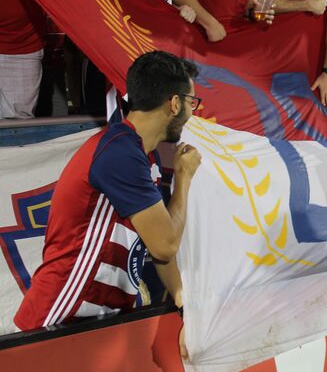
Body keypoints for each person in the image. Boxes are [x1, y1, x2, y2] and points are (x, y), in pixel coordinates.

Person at [14, 51, 202, 330]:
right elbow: (165, 245)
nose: (192, 112)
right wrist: (184, 176)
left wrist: (181, 300)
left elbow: (157, 240)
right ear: (174, 104)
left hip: (96, 320)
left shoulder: (141, 156)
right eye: (191, 102)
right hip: (57, 320)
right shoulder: (120, 154)